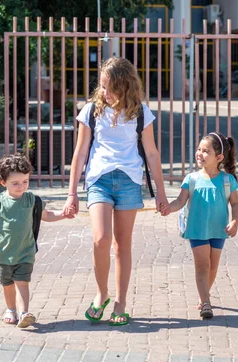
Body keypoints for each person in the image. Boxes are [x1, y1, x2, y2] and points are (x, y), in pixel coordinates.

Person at [63, 57, 169, 326]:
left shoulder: (141, 113)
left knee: (122, 244)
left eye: (111, 89)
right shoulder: (91, 111)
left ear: (126, 88)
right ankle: (102, 294)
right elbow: (80, 151)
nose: (105, 93)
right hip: (99, 179)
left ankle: (120, 301)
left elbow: (152, 153)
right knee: (100, 239)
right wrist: (71, 193)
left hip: (129, 181)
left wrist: (161, 193)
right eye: (102, 87)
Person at [0, 153, 74, 328]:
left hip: (25, 252)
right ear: (3, 182)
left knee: (22, 282)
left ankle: (24, 312)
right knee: (7, 284)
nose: (21, 186)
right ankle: (11, 309)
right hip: (3, 254)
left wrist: (63, 215)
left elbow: (47, 216)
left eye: (25, 181)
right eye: (15, 183)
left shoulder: (32, 200)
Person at [161, 133, 238, 319]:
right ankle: (206, 302)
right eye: (199, 149)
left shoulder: (227, 180)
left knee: (213, 266)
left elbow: (235, 204)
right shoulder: (191, 179)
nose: (200, 154)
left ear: (219, 157)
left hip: (219, 230)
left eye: (206, 151)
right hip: (197, 230)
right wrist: (168, 208)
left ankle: (204, 293)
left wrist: (235, 221)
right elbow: (180, 201)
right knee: (203, 266)